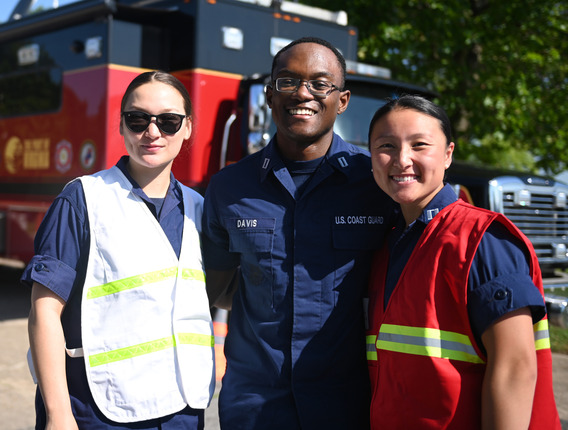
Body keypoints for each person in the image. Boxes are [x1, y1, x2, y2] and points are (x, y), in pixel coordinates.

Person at [202, 37, 394, 429]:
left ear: (342, 101)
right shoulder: (229, 188)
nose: (303, 93)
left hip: (349, 404)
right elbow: (219, 288)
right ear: (270, 97)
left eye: (320, 83)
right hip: (256, 406)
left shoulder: (377, 185)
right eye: (288, 82)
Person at [21, 71, 215, 429]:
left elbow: (219, 296)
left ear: (188, 127)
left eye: (169, 121)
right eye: (138, 119)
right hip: (101, 410)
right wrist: (58, 414)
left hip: (182, 410)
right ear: (122, 125)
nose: (152, 132)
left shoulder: (202, 209)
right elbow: (44, 311)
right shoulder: (82, 200)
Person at [365, 94, 561, 429]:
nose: (402, 160)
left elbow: (516, 368)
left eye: (419, 145)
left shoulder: (483, 241)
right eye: (386, 146)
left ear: (448, 155)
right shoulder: (388, 243)